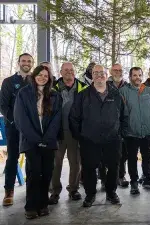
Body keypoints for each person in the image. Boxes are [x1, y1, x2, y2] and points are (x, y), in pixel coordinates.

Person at [69, 64, 129, 207]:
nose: (99, 75)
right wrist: (81, 136)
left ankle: (111, 193)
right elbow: (73, 118)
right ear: (92, 76)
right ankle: (90, 195)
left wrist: (120, 134)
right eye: (95, 73)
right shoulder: (83, 95)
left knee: (113, 168)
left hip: (112, 140)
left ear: (106, 75)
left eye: (102, 73)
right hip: (89, 141)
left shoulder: (116, 95)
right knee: (89, 168)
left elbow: (124, 116)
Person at [14, 65, 62, 219]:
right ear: (34, 76)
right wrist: (37, 139)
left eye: (46, 76)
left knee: (47, 172)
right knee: (34, 173)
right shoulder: (24, 93)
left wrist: (46, 139)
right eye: (39, 75)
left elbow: (57, 119)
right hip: (31, 141)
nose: (42, 77)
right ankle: (31, 206)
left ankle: (43, 204)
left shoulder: (55, 95)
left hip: (48, 141)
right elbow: (21, 119)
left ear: (49, 79)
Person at [49, 62, 88, 205]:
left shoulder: (83, 88)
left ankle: (73, 189)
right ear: (60, 72)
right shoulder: (53, 89)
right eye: (65, 70)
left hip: (75, 133)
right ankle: (54, 192)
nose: (69, 72)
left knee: (76, 163)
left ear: (75, 71)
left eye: (71, 70)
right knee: (55, 163)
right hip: (58, 133)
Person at [119, 67, 150, 195]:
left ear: (142, 76)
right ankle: (134, 183)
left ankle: (148, 179)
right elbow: (120, 112)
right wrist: (125, 129)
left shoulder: (148, 91)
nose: (137, 77)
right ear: (130, 77)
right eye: (134, 75)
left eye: (139, 75)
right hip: (131, 133)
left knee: (147, 156)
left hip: (147, 132)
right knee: (132, 158)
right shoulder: (123, 92)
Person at [1, 53, 34, 206]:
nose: (26, 63)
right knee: (12, 158)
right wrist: (16, 121)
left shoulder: (36, 80)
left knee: (32, 159)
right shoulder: (8, 82)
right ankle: (9, 191)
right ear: (19, 62)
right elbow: (3, 106)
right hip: (13, 127)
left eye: (29, 61)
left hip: (32, 128)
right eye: (23, 61)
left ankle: (32, 190)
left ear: (32, 63)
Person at [107, 63, 129, 188]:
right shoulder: (105, 85)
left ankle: (121, 176)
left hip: (123, 123)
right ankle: (107, 180)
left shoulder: (127, 86)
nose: (117, 72)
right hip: (108, 125)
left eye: (120, 70)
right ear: (111, 71)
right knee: (107, 154)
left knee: (123, 153)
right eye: (115, 70)